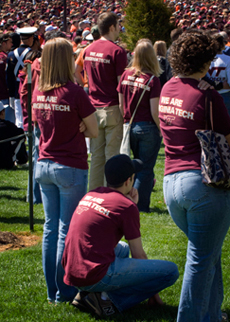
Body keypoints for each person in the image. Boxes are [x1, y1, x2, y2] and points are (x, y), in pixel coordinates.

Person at [159, 30, 230, 322]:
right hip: (202, 184)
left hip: (170, 184)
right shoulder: (207, 94)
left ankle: (212, 316)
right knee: (201, 262)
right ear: (206, 59)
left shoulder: (168, 87)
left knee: (208, 257)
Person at [62, 154, 179, 317]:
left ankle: (89, 294)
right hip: (93, 275)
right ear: (128, 181)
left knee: (122, 249)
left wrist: (129, 204)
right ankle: (108, 302)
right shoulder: (126, 206)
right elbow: (138, 254)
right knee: (170, 271)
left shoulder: (93, 193)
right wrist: (153, 293)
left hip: (73, 271)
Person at [32, 37, 98, 304]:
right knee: (64, 230)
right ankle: (64, 292)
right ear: (66, 60)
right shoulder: (74, 92)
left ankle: (53, 292)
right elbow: (93, 130)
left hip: (44, 164)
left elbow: (39, 125)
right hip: (69, 165)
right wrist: (79, 125)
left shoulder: (38, 90)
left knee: (50, 228)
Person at [83, 12, 127, 190]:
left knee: (96, 157)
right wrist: (125, 111)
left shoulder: (88, 49)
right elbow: (121, 86)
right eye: (118, 26)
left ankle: (94, 193)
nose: (120, 29)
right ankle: (110, 195)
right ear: (111, 27)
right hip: (112, 108)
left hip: (93, 109)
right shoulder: (117, 51)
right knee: (112, 157)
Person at [117, 39, 162, 212]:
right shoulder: (152, 79)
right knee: (145, 169)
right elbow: (154, 110)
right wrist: (160, 129)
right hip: (147, 127)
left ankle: (129, 201)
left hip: (129, 125)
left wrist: (126, 120)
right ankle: (141, 206)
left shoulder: (125, 75)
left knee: (133, 167)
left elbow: (121, 105)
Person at [7, 26, 37, 128]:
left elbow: (9, 76)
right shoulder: (33, 54)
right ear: (30, 39)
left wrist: (11, 93)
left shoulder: (11, 54)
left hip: (16, 88)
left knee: (19, 118)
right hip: (29, 87)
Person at [206, 33, 230, 115]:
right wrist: (220, 85)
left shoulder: (204, 60)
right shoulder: (228, 60)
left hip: (208, 95)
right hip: (225, 96)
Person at [0, 101, 27, 169]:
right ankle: (21, 161)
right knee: (20, 138)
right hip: (5, 163)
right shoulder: (7, 125)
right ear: (2, 112)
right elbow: (21, 134)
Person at [0, 32, 13, 123]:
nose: (12, 44)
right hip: (4, 94)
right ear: (3, 43)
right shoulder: (5, 58)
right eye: (10, 42)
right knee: (8, 123)